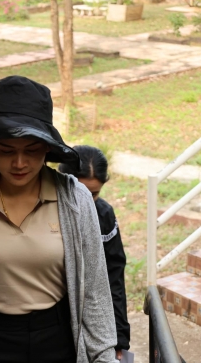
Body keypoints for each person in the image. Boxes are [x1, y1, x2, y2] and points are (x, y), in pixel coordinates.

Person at [0, 76, 118, 363]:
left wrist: (103, 356)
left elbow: (94, 288)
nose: (19, 163)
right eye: (7, 151)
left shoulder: (75, 200)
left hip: (58, 337)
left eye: (31, 150)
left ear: (47, 148)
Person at [59, 146, 131, 361]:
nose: (87, 203)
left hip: (93, 320)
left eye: (94, 194)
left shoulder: (104, 215)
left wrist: (119, 340)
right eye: (80, 193)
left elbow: (114, 279)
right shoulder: (46, 212)